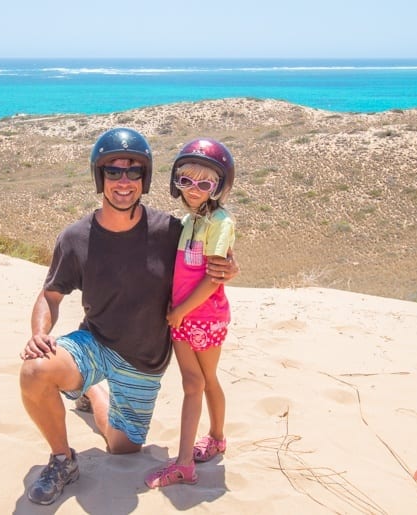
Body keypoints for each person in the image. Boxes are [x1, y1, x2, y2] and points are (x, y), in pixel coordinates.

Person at [19, 128, 239, 505]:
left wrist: (226, 268)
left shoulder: (169, 231)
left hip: (144, 360)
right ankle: (62, 458)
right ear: (99, 177)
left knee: (122, 448)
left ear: (146, 178)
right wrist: (40, 331)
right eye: (113, 171)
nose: (124, 181)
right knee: (34, 369)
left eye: (133, 171)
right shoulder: (75, 238)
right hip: (95, 342)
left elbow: (205, 265)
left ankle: (91, 389)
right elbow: (50, 294)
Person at [145, 138, 236, 488]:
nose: (194, 189)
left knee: (202, 381)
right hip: (182, 318)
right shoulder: (188, 221)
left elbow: (214, 279)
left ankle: (196, 452)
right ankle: (207, 444)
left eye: (204, 183)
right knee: (196, 381)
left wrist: (179, 311)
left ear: (218, 186)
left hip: (203, 317)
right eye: (186, 181)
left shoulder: (219, 222)